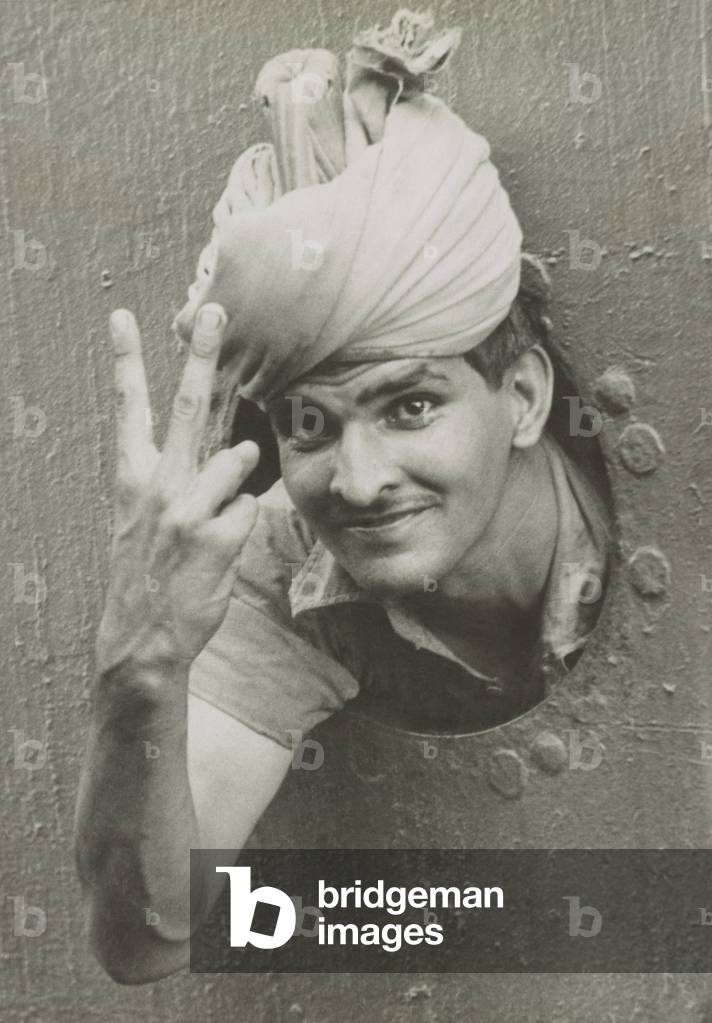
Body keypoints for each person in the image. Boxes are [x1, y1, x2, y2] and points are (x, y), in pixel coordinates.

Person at [74, 10, 612, 984]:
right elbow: (145, 937)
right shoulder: (285, 566)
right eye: (310, 426)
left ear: (525, 395)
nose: (357, 481)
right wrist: (140, 660)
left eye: (408, 405)